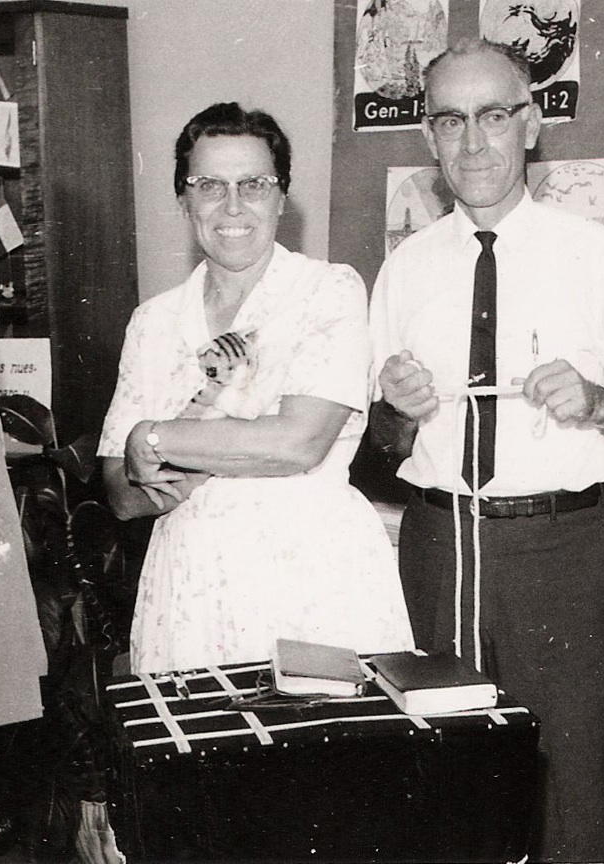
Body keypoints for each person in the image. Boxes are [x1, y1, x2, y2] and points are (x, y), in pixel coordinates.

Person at [368, 39, 604, 862]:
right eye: (450, 120)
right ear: (428, 138)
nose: (473, 143)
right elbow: (378, 449)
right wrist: (395, 411)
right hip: (439, 554)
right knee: (444, 795)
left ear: (531, 124)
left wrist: (601, 400)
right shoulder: (401, 270)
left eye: (493, 116)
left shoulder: (592, 253)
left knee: (574, 797)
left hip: (563, 557)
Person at [99, 102, 413, 674]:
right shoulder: (154, 321)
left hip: (312, 579)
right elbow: (121, 494)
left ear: (281, 197)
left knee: (321, 753)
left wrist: (153, 437)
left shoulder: (327, 290)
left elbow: (297, 445)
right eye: (209, 185)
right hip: (187, 587)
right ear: (183, 199)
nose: (233, 205)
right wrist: (153, 457)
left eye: (255, 184)